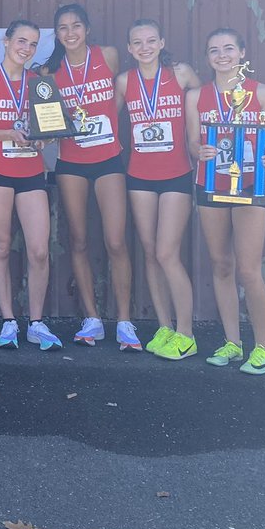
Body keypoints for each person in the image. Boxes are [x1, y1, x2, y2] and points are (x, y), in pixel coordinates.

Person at [42, 4, 139, 350]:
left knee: (115, 241)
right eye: (63, 28)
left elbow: (120, 97)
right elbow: (50, 122)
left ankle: (125, 321)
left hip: (108, 158)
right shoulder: (49, 72)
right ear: (55, 34)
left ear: (87, 28)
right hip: (71, 162)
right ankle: (93, 317)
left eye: (76, 26)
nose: (70, 33)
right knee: (79, 240)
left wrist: (105, 126)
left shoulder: (108, 56)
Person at [0, 20, 63, 351]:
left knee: (38, 249)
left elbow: (49, 133)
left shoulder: (40, 83)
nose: (26, 48)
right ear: (6, 42)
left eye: (33, 44)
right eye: (21, 41)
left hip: (31, 171)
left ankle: (35, 322)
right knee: (1, 245)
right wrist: (8, 133)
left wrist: (41, 139)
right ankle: (8, 321)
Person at [187, 27, 265, 376]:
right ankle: (232, 342)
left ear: (242, 53)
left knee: (248, 269)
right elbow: (192, 144)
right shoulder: (196, 95)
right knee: (221, 264)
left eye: (229, 48)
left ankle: (262, 348)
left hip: (251, 188)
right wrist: (201, 150)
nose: (222, 55)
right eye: (214, 50)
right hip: (210, 185)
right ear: (207, 57)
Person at [116, 19, 199, 359]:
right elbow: (103, 118)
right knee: (150, 252)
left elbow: (210, 106)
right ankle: (165, 327)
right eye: (138, 42)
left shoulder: (181, 74)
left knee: (167, 252)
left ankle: (187, 333)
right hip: (139, 175)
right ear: (129, 49)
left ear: (162, 42)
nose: (145, 47)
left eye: (151, 40)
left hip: (177, 173)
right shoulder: (124, 81)